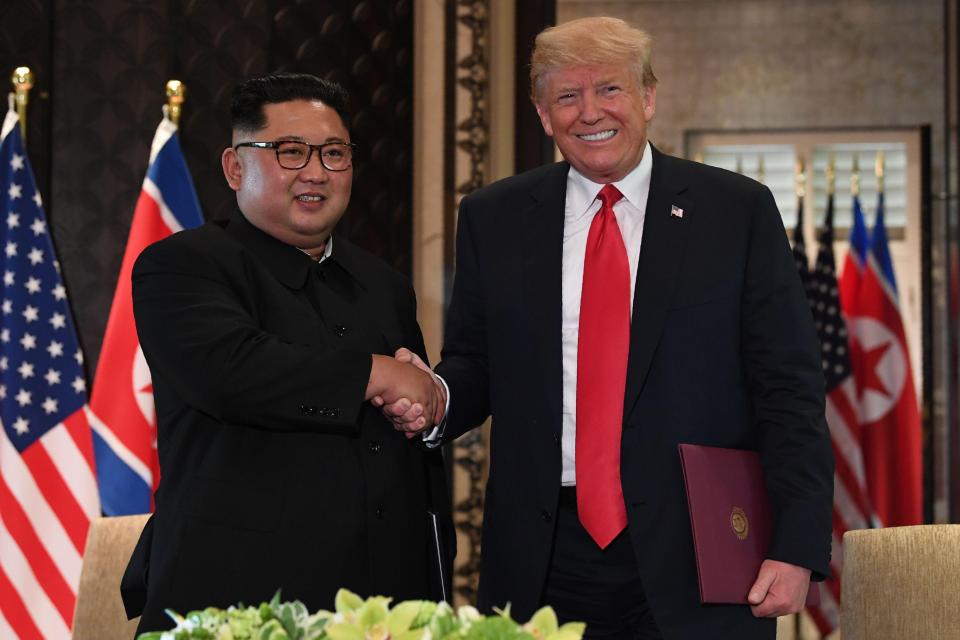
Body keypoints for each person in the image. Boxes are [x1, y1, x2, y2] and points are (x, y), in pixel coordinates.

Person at [382, 16, 833, 639]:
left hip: (700, 547)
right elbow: (476, 364)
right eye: (567, 96)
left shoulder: (736, 210)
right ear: (544, 115)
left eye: (610, 90)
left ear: (647, 97)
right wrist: (433, 398)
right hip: (544, 551)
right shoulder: (495, 217)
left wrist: (797, 543)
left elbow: (788, 388)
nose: (590, 111)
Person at [120, 72, 453, 634]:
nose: (316, 172)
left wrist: (423, 406)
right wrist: (376, 374)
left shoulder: (384, 285)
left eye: (334, 153)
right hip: (238, 602)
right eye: (290, 152)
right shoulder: (183, 264)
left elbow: (408, 418)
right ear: (234, 167)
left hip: (387, 606)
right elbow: (233, 373)